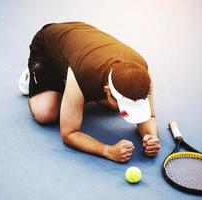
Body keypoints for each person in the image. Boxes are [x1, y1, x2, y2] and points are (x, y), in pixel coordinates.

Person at [19, 22, 160, 162]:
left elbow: (150, 116)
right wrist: (108, 150)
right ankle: (34, 77)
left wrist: (151, 137)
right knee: (46, 113)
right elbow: (69, 134)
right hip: (49, 46)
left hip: (82, 44)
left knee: (112, 107)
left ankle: (71, 88)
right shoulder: (83, 74)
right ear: (107, 90)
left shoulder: (143, 74)